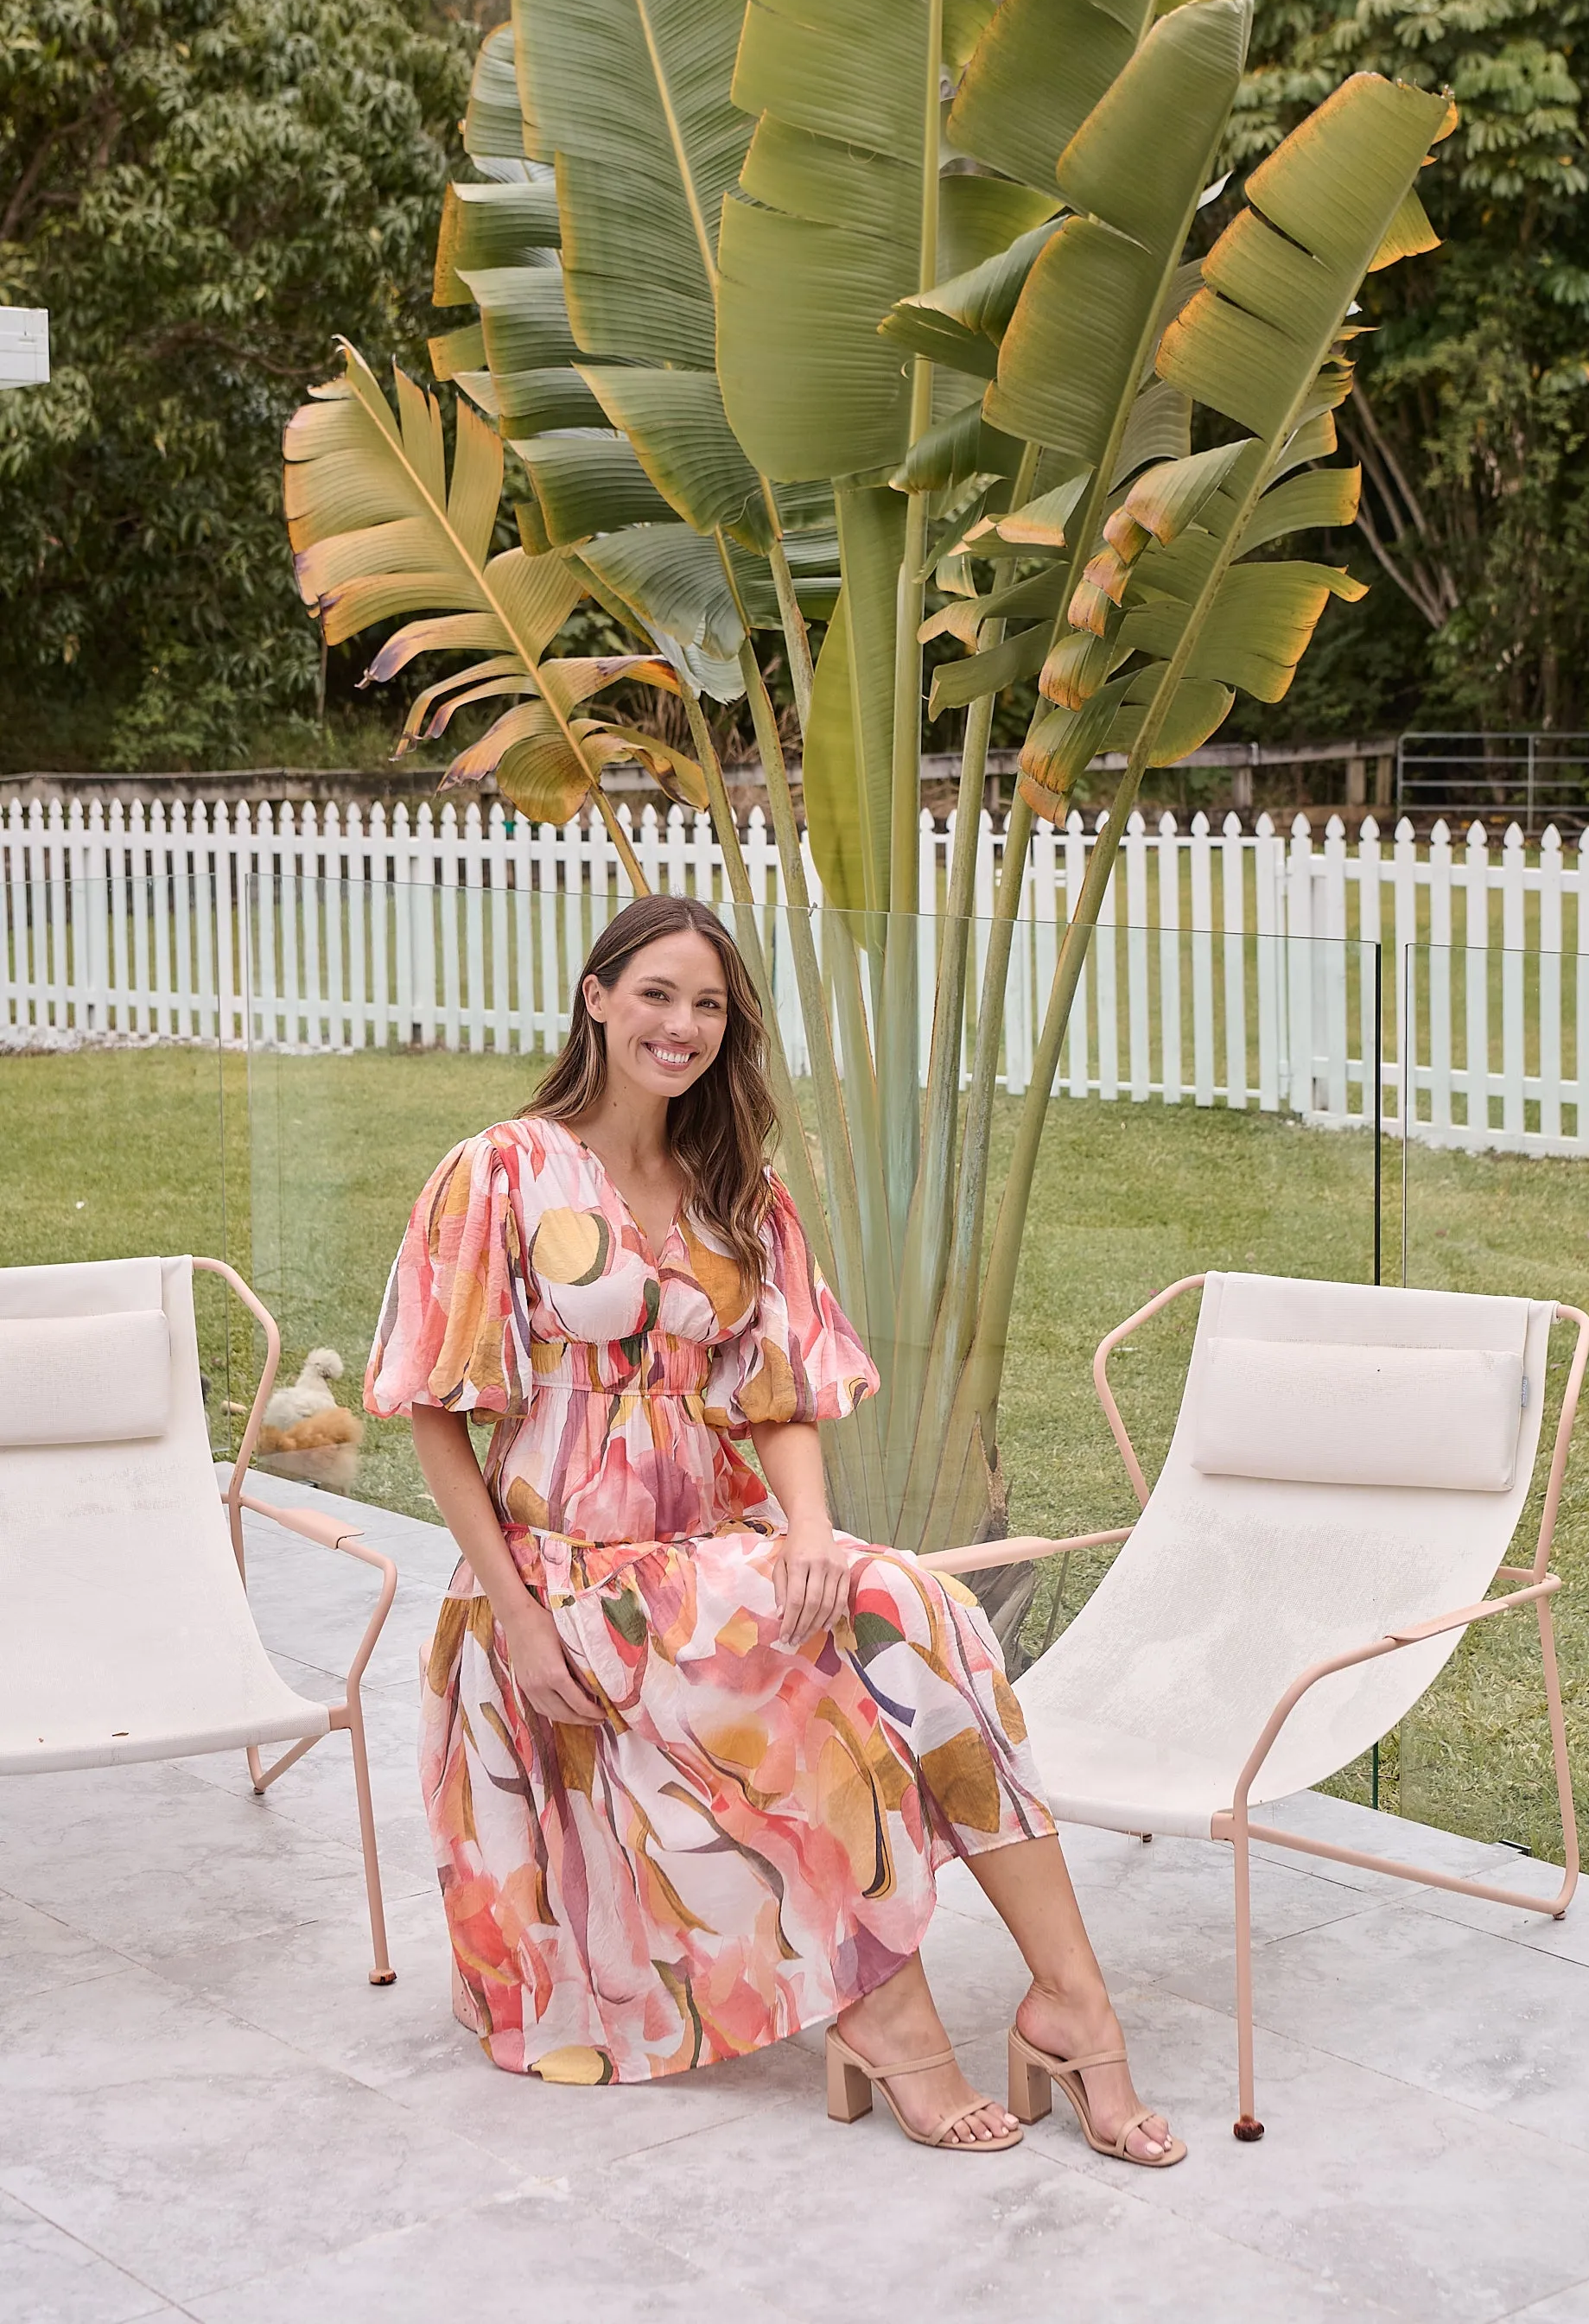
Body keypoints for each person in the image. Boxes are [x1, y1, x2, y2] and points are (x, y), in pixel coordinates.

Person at [365, 893, 1182, 2165]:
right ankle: (892, 2020)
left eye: (708, 1006)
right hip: (566, 1572)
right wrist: (518, 1617)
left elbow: (785, 1385)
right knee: (785, 1693)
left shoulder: (735, 1183)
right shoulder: (503, 1171)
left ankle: (1072, 1999)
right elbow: (435, 1413)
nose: (682, 1026)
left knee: (921, 1610)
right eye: (655, 995)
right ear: (595, 997)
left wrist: (811, 1531)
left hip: (718, 1545)